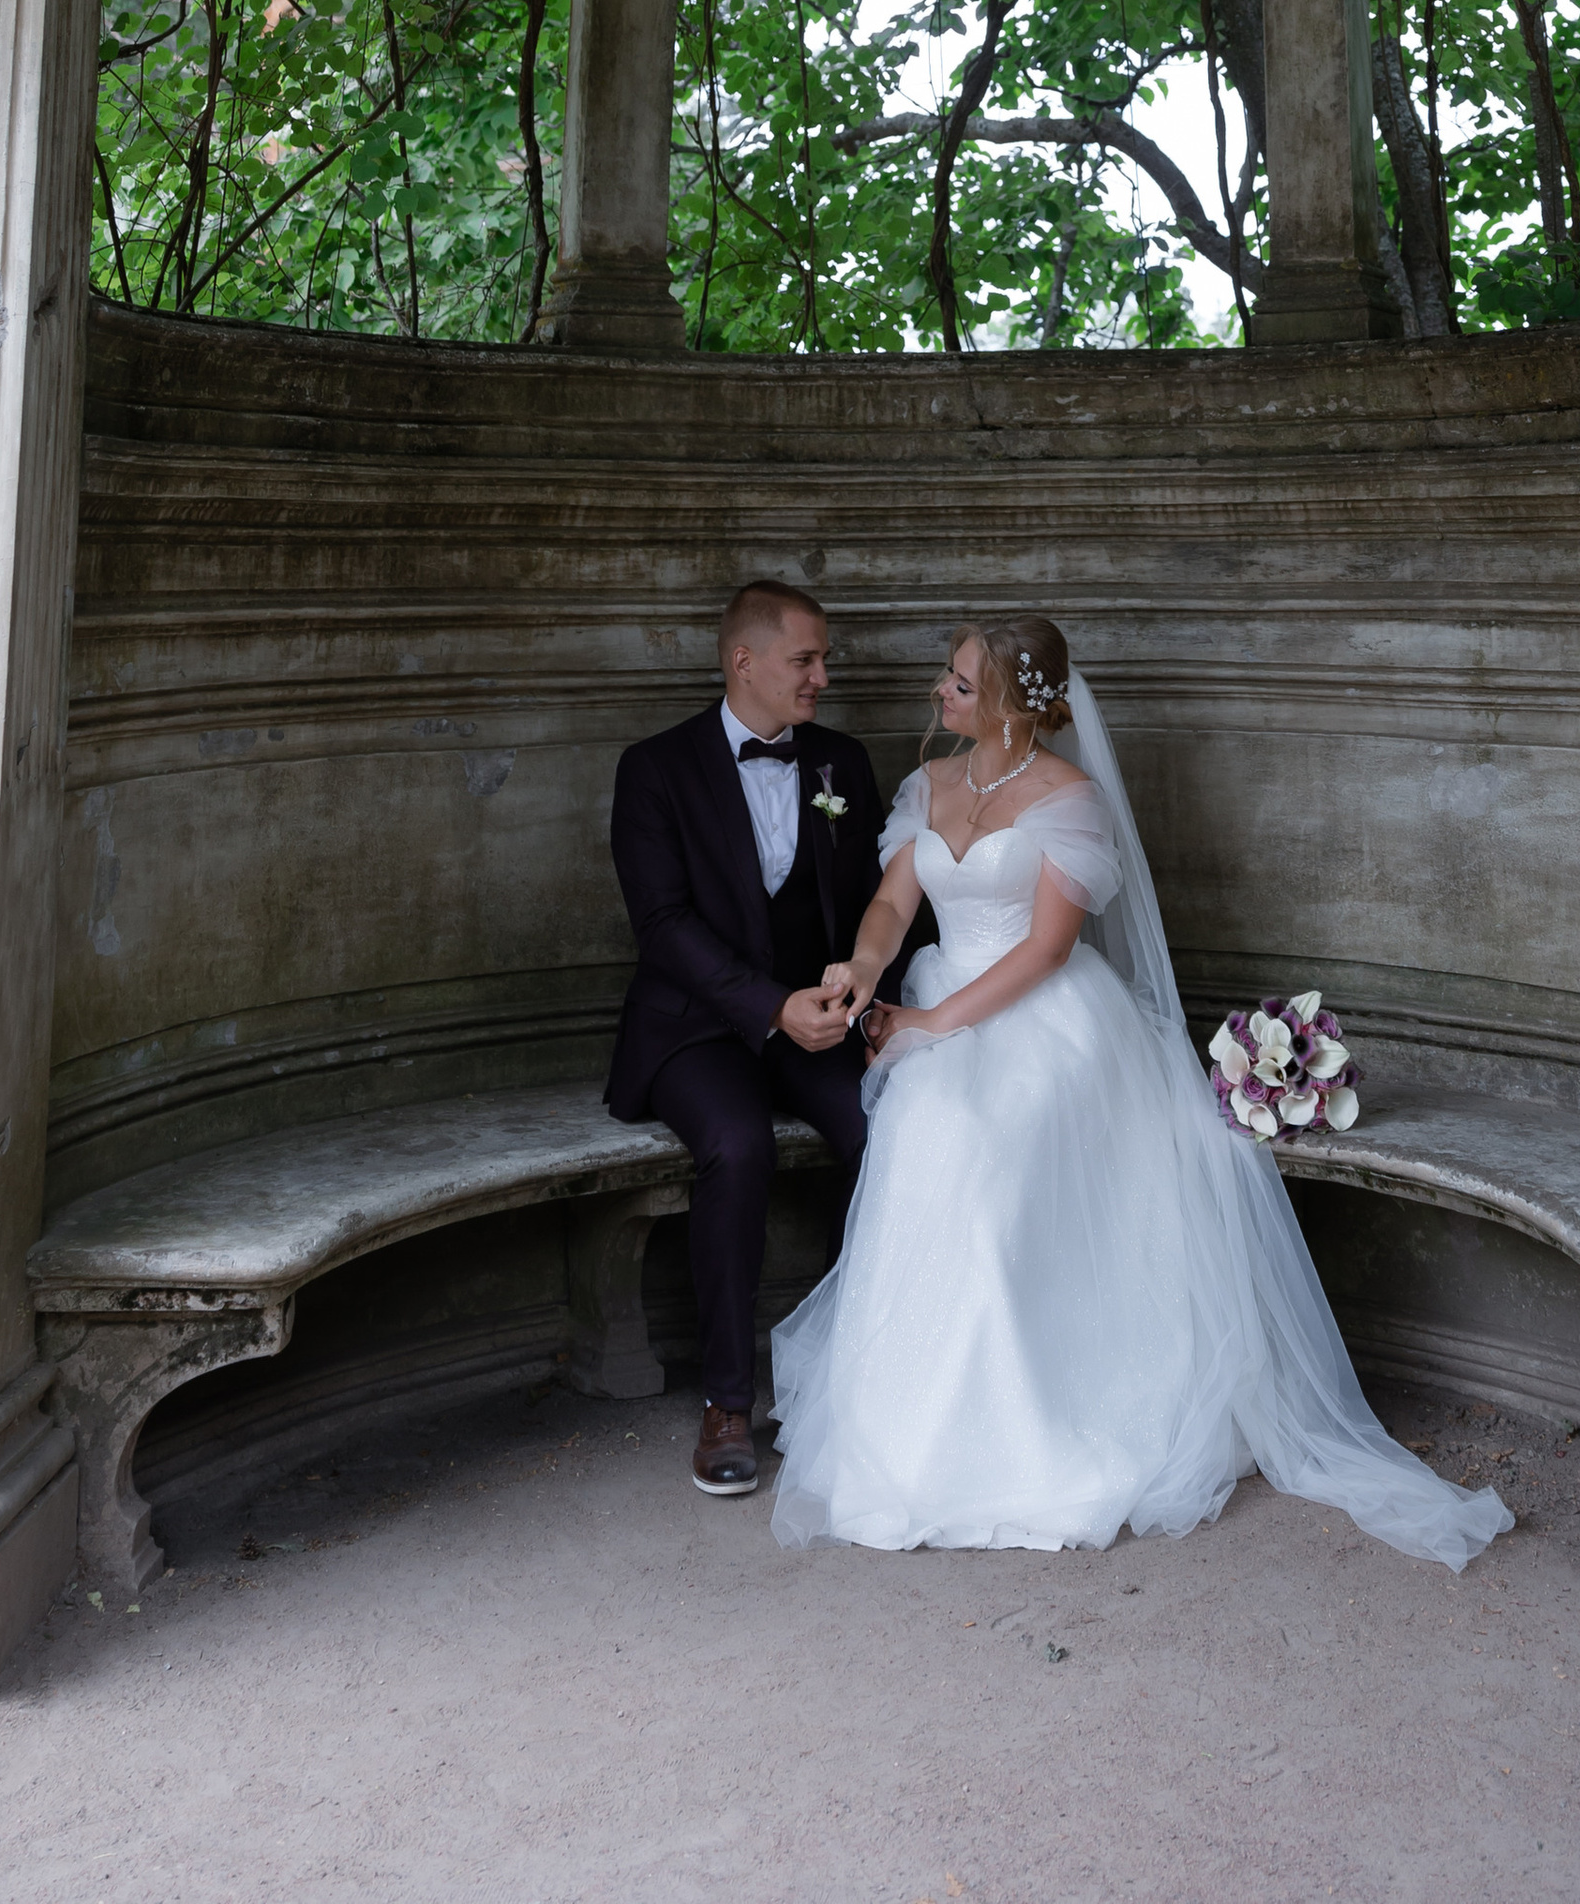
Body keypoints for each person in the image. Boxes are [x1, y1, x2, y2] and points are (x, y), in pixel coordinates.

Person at [768, 614, 1513, 1569]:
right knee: (928, 1126)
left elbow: (1044, 949)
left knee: (990, 1152)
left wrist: (929, 1026)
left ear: (1004, 701)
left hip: (1043, 1020)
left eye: (957, 682)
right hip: (944, 997)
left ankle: (1033, 1418)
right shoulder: (930, 783)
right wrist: (869, 974)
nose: (939, 693)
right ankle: (914, 1422)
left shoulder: (1069, 798)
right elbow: (892, 904)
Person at [603, 578, 897, 1497]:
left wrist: (874, 998)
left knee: (884, 1127)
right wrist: (771, 1007)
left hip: (820, 1021)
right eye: (805, 660)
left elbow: (880, 908)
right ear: (745, 661)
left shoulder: (842, 764)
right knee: (736, 1148)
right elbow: (664, 925)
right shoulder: (654, 769)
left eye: (823, 661)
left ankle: (868, 1372)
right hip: (699, 1029)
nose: (821, 677)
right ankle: (728, 1403)